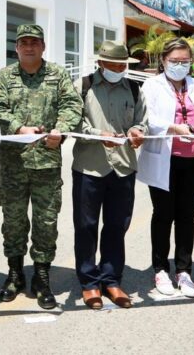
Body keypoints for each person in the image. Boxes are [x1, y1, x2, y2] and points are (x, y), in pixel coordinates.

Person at [0, 24, 83, 309]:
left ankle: (41, 276)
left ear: (43, 46)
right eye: (23, 43)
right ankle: (15, 273)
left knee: (46, 222)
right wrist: (19, 127)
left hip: (46, 161)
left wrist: (61, 129)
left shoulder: (58, 75)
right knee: (14, 221)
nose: (29, 47)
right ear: (16, 47)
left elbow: (72, 105)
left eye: (34, 42)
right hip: (13, 163)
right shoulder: (5, 76)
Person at [135, 39, 194, 299]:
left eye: (185, 61)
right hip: (166, 157)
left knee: (187, 216)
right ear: (163, 61)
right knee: (163, 215)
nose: (179, 65)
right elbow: (147, 117)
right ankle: (161, 269)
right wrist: (173, 128)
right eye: (174, 61)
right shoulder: (151, 86)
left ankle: (184, 270)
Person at [70, 40, 145, 309]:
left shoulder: (135, 89)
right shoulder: (83, 87)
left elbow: (141, 119)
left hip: (123, 167)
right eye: (112, 64)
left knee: (116, 226)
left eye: (122, 64)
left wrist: (138, 131)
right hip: (89, 167)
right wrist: (98, 135)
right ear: (100, 63)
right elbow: (74, 121)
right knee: (86, 226)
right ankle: (89, 284)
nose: (118, 68)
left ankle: (111, 280)